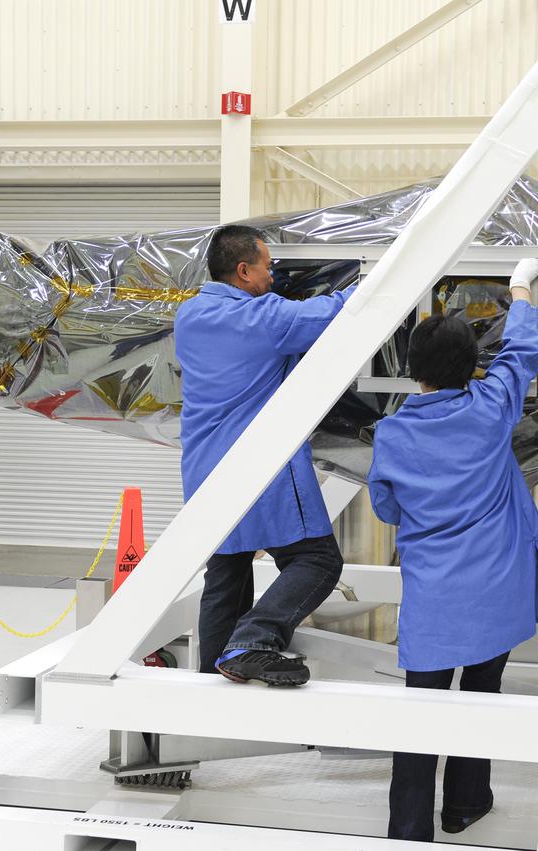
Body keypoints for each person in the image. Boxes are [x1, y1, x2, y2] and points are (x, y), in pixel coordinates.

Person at [367, 257, 538, 842]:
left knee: (421, 718)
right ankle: (465, 805)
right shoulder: (490, 410)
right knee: (483, 701)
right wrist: (520, 288)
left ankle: (409, 828)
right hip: (495, 594)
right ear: (471, 366)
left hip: (434, 600)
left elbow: (385, 507)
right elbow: (521, 356)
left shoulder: (393, 433)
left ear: (412, 370)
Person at [174, 224, 353, 687]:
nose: (273, 276)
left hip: (203, 470)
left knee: (226, 575)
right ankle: (255, 639)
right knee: (318, 560)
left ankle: (211, 685)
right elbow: (338, 313)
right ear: (242, 270)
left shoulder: (189, 316)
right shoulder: (264, 319)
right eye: (267, 267)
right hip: (258, 470)